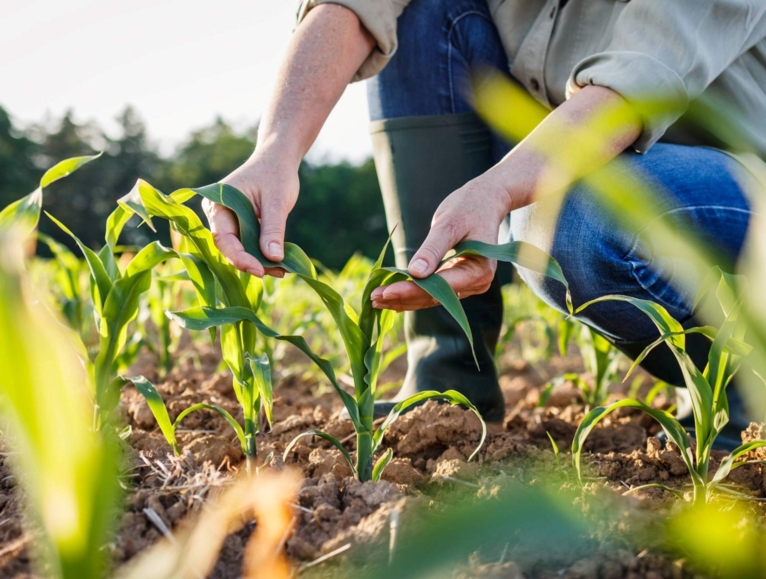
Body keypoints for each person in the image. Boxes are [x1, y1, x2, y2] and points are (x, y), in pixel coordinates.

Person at [203, 0, 766, 444]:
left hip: (734, 188)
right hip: (574, 159)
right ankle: (448, 382)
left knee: (571, 220)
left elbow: (632, 85)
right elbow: (356, 5)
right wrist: (276, 149)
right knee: (425, 13)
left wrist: (499, 190)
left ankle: (745, 383)